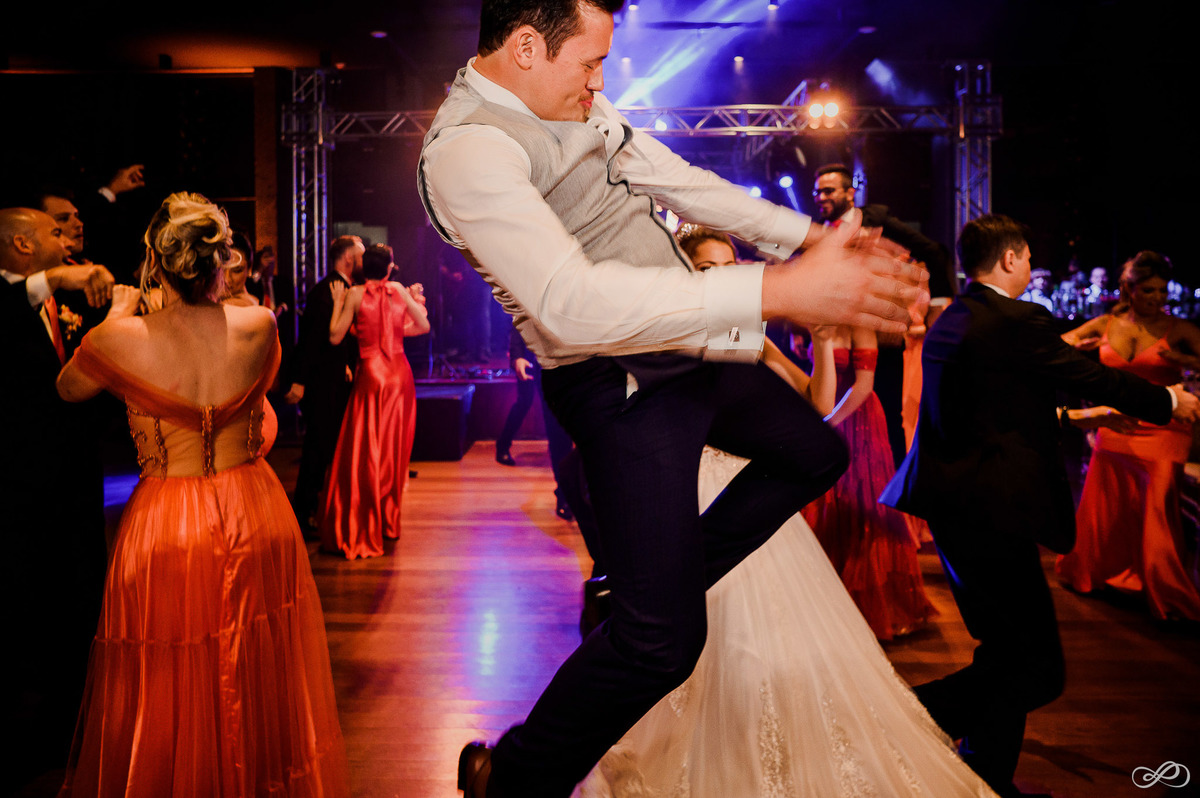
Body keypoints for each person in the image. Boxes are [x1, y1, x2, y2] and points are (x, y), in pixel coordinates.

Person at [419, 4, 927, 792]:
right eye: (589, 64)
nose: (600, 81)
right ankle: (512, 776)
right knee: (664, 646)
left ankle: (639, 581)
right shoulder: (466, 152)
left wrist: (808, 241)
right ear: (525, 47)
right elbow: (568, 301)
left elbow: (675, 179)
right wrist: (778, 288)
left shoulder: (575, 101)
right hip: (617, 384)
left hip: (682, 347)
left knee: (813, 453)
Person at [880, 214, 1199, 798]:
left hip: (957, 505)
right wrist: (1167, 399)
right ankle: (905, 717)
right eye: (1027, 258)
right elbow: (1082, 374)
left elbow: (992, 409)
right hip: (989, 511)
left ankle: (984, 776)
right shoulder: (1014, 319)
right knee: (1038, 670)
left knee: (1006, 655)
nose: (1031, 269)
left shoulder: (957, 318)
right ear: (1009, 260)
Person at [56, 192, 349, 796]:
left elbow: (68, 390)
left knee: (170, 670)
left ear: (159, 265)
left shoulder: (120, 339)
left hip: (168, 518)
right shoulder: (259, 324)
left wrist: (116, 314)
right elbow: (263, 408)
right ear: (221, 262)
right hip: (255, 507)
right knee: (257, 665)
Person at [0, 207, 114, 792]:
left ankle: (71, 724)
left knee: (75, 600)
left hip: (73, 482)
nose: (67, 241)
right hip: (17, 493)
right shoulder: (13, 297)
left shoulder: (59, 303)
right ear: (21, 243)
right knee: (24, 610)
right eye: (54, 233)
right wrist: (55, 281)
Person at [1056, 251, 1200, 620]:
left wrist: (1186, 362)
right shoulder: (1105, 323)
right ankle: (1101, 571)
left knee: (1158, 501)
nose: (1157, 298)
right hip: (1118, 423)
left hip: (1166, 427)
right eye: (1148, 291)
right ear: (1129, 290)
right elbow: (1053, 347)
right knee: (1107, 495)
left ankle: (1166, 588)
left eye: (1162, 291)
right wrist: (1077, 350)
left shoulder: (1180, 329)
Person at [800, 319, 938, 640]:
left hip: (855, 418)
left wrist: (827, 423)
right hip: (827, 413)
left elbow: (863, 386)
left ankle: (867, 608)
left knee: (858, 506)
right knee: (826, 505)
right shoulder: (819, 320)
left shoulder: (859, 324)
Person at [319, 243, 430, 559]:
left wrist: (339, 305)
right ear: (391, 267)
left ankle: (364, 520)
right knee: (394, 450)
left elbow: (334, 336)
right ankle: (389, 522)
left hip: (371, 375)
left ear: (363, 267)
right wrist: (394, 333)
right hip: (399, 376)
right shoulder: (397, 290)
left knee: (367, 449)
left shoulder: (354, 293)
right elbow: (423, 326)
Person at [286, 234, 364, 534]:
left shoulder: (342, 288)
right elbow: (311, 341)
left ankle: (322, 509)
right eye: (360, 255)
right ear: (348, 259)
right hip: (321, 383)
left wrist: (345, 363)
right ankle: (304, 513)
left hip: (333, 378)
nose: (363, 260)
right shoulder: (328, 291)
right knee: (317, 448)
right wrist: (299, 380)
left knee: (327, 447)